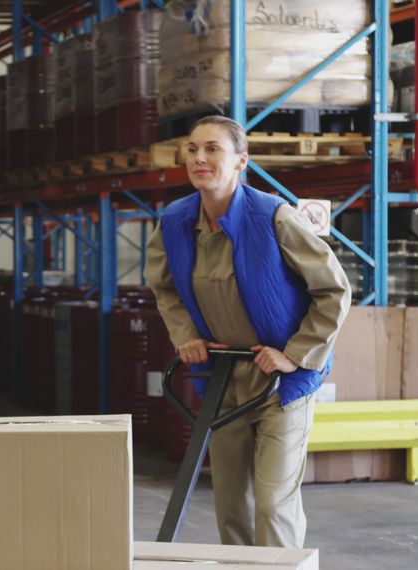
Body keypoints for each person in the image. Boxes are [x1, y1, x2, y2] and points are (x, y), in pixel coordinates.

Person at [143, 115, 351, 549]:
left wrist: (295, 354)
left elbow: (333, 290)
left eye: (213, 149)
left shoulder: (273, 217)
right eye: (193, 149)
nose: (199, 158)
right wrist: (185, 335)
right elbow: (164, 287)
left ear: (241, 162)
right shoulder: (175, 222)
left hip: (281, 384)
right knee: (232, 505)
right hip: (224, 383)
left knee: (274, 503)